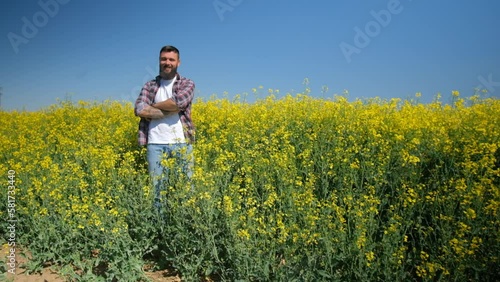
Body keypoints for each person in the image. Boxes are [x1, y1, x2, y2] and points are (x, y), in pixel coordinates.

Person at [134, 45, 195, 210]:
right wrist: (168, 109)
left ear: (178, 63)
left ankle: (186, 224)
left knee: (186, 189)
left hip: (181, 144)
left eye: (171, 59)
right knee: (157, 191)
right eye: (164, 59)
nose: (167, 62)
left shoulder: (187, 83)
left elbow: (178, 103)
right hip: (155, 144)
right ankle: (160, 230)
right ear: (159, 61)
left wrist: (152, 108)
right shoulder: (149, 86)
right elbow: (139, 109)